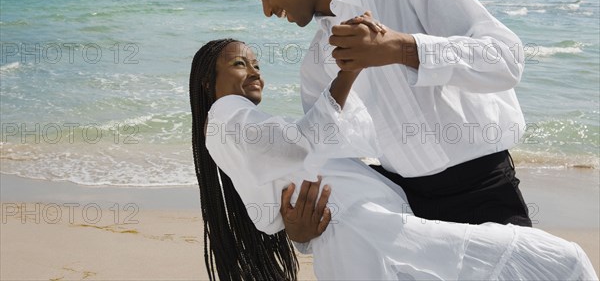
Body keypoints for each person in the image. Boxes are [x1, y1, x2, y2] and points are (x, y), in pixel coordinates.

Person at [189, 38, 597, 281]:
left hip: (360, 239)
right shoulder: (226, 116)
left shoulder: (238, 126)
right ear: (209, 81)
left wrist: (301, 232)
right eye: (240, 64)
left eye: (257, 64)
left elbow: (271, 213)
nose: (255, 72)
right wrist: (349, 71)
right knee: (557, 261)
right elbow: (297, 143)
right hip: (371, 234)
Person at [246, 0, 533, 243]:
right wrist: (303, 234)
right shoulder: (315, 65)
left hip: (487, 191)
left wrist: (402, 48)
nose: (267, 11)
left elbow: (506, 60)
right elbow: (326, 163)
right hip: (406, 213)